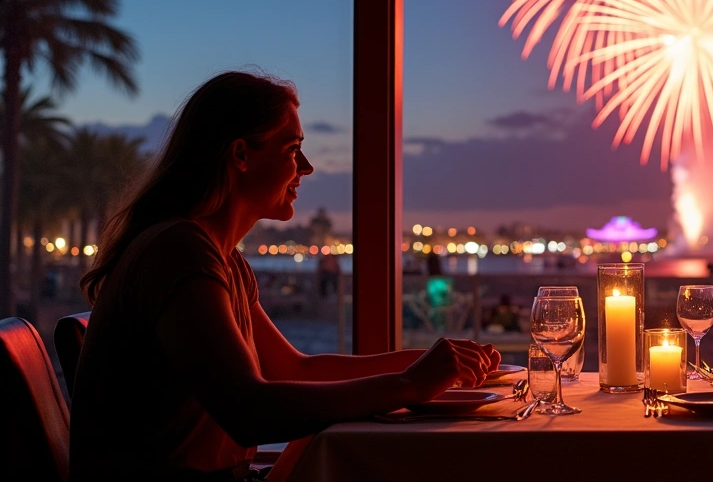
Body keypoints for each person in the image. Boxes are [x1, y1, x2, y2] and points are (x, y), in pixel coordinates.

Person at [71, 71, 500, 481]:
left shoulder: (221, 258)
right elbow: (250, 410)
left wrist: (436, 364)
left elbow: (295, 369)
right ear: (240, 154)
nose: (307, 166)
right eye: (292, 148)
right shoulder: (179, 253)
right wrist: (409, 384)